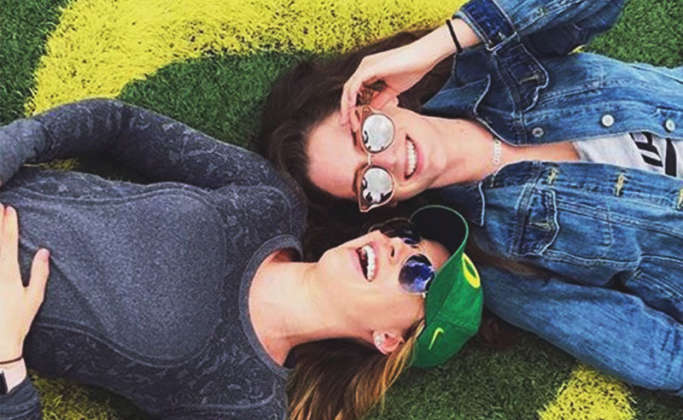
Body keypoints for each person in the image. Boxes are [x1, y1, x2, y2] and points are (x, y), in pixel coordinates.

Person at [258, 0, 683, 395]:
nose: (386, 161)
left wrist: (434, 47)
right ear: (382, 205)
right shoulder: (497, 256)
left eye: (369, 134)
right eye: (367, 184)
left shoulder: (490, 66)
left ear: (374, 97)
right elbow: (656, 355)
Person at [0, 99, 484, 420]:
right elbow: (121, 126)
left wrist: (8, 360)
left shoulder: (245, 401)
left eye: (418, 273)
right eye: (406, 234)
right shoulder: (272, 202)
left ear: (388, 339)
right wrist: (15, 145)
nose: (398, 247)